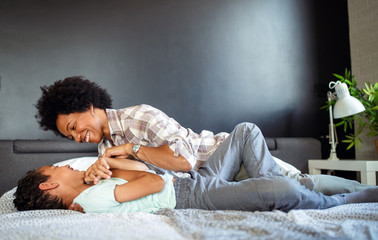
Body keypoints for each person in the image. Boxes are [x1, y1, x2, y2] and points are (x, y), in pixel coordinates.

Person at [35, 76, 370, 195]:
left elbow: (184, 161)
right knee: (288, 191)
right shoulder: (105, 149)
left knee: (302, 185)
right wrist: (96, 176)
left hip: (227, 156)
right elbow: (141, 183)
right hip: (208, 184)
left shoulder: (139, 117)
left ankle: (368, 193)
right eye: (70, 137)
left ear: (87, 106)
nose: (77, 137)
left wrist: (133, 148)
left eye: (74, 127)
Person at [14, 123, 378, 213]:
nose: (63, 163)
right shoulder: (88, 201)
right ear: (48, 186)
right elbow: (154, 183)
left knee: (246, 131)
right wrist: (113, 169)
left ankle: (284, 188)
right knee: (282, 190)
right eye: (55, 167)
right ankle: (345, 200)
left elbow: (158, 166)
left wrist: (111, 161)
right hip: (193, 196)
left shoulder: (95, 182)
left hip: (192, 176)